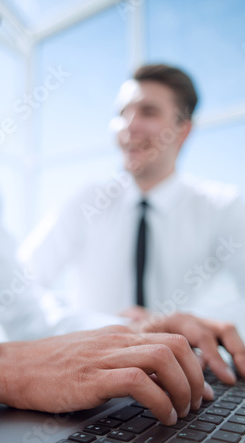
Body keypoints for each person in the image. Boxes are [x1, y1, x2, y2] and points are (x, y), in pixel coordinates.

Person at [0, 1, 245, 427]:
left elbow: (27, 308)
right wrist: (2, 368)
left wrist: (137, 335)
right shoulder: (85, 200)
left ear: (184, 129)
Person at [20, 64, 245, 326]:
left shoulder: (223, 207)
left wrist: (200, 325)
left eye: (148, 112)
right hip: (95, 360)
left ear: (182, 131)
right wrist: (96, 326)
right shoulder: (87, 202)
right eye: (122, 113)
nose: (129, 125)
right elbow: (20, 286)